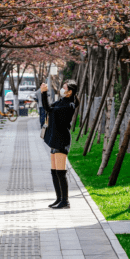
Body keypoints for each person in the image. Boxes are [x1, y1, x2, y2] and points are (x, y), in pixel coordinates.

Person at [41, 79, 79, 209]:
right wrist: (43, 93)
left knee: (61, 172)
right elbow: (47, 108)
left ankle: (65, 201)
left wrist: (45, 95)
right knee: (54, 171)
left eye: (64, 87)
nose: (62, 89)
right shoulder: (61, 102)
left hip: (62, 140)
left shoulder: (69, 106)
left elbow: (52, 111)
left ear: (70, 92)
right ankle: (59, 198)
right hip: (54, 139)